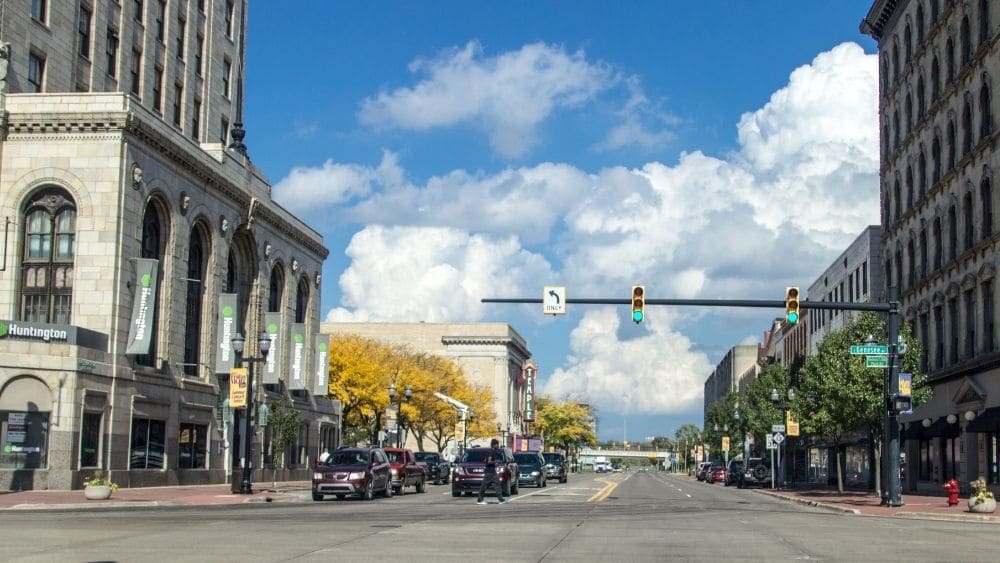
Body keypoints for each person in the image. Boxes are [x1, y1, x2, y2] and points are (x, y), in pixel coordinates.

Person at [477, 438, 509, 505]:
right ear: (494, 444)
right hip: (490, 472)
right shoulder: (492, 451)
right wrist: (496, 461)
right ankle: (480, 500)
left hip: (490, 471)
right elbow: (489, 461)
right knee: (488, 485)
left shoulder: (489, 451)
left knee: (492, 485)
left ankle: (501, 499)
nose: (498, 446)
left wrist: (494, 463)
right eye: (497, 444)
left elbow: (484, 460)